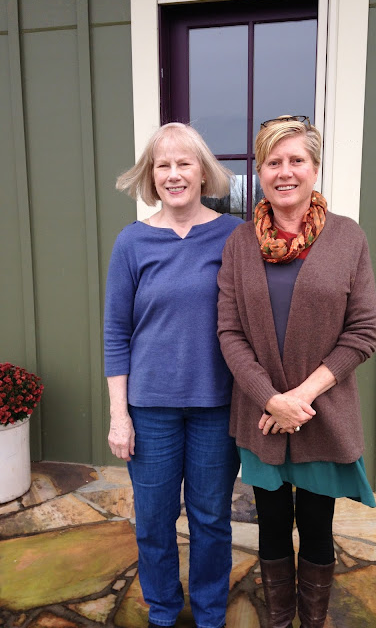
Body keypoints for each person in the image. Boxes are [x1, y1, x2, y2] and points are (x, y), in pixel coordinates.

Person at [217, 115, 376, 628]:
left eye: (296, 160)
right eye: (273, 162)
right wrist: (271, 399)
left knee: (316, 527)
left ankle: (312, 620)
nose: (284, 172)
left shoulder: (348, 238)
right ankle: (279, 619)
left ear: (315, 167)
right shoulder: (240, 243)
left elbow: (363, 332)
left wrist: (299, 399)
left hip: (321, 413)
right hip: (261, 417)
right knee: (269, 526)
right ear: (260, 172)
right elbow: (229, 333)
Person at [104, 123, 242, 628]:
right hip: (150, 410)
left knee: (212, 520)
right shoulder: (132, 241)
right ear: (151, 176)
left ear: (203, 172)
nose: (174, 174)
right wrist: (119, 416)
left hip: (216, 407)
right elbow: (116, 332)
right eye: (163, 165)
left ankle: (209, 614)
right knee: (154, 521)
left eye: (185, 163)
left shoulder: (234, 236)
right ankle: (162, 612)